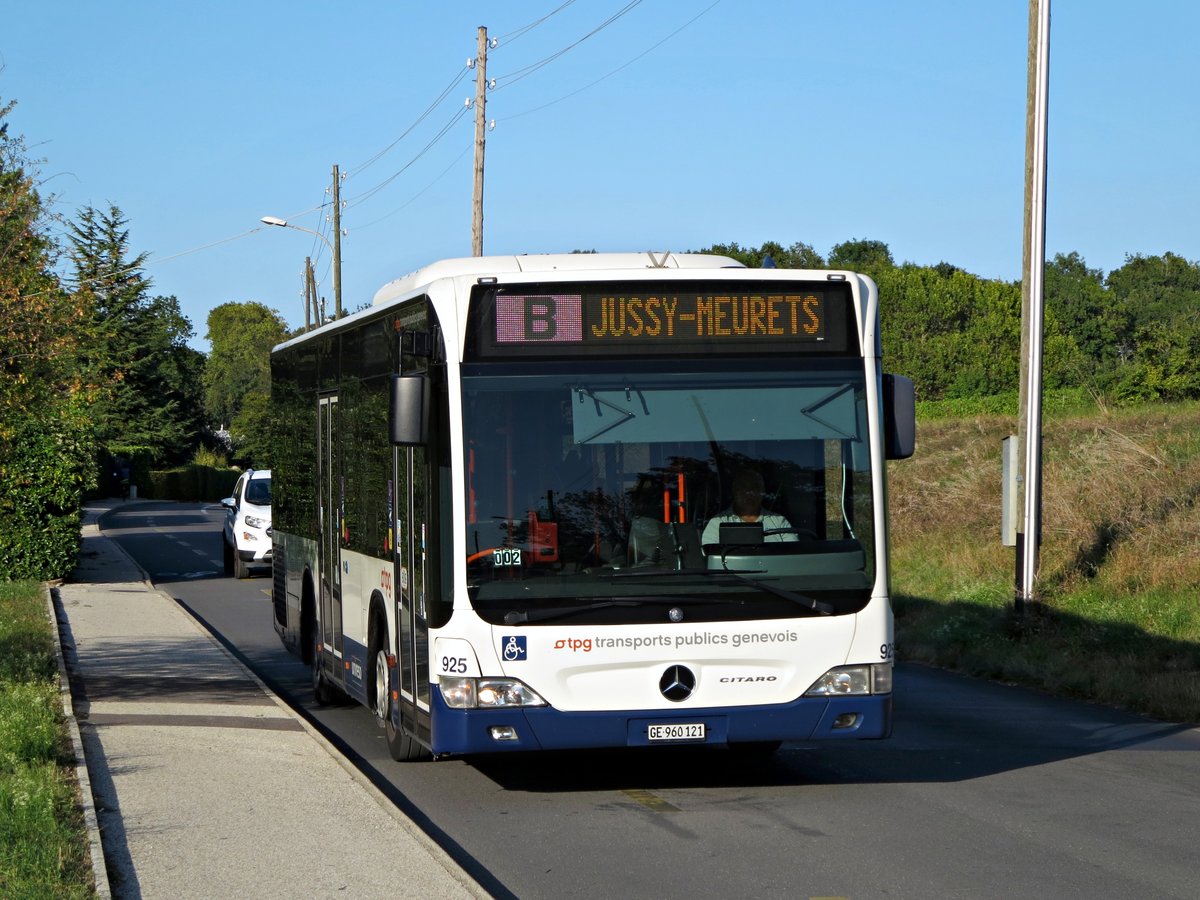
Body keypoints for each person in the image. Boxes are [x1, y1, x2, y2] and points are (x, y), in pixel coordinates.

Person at [701, 469, 797, 545]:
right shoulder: (717, 522)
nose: (749, 492)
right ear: (734, 491)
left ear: (762, 491)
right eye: (743, 487)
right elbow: (709, 557)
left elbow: (793, 556)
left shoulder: (780, 522)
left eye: (754, 487)